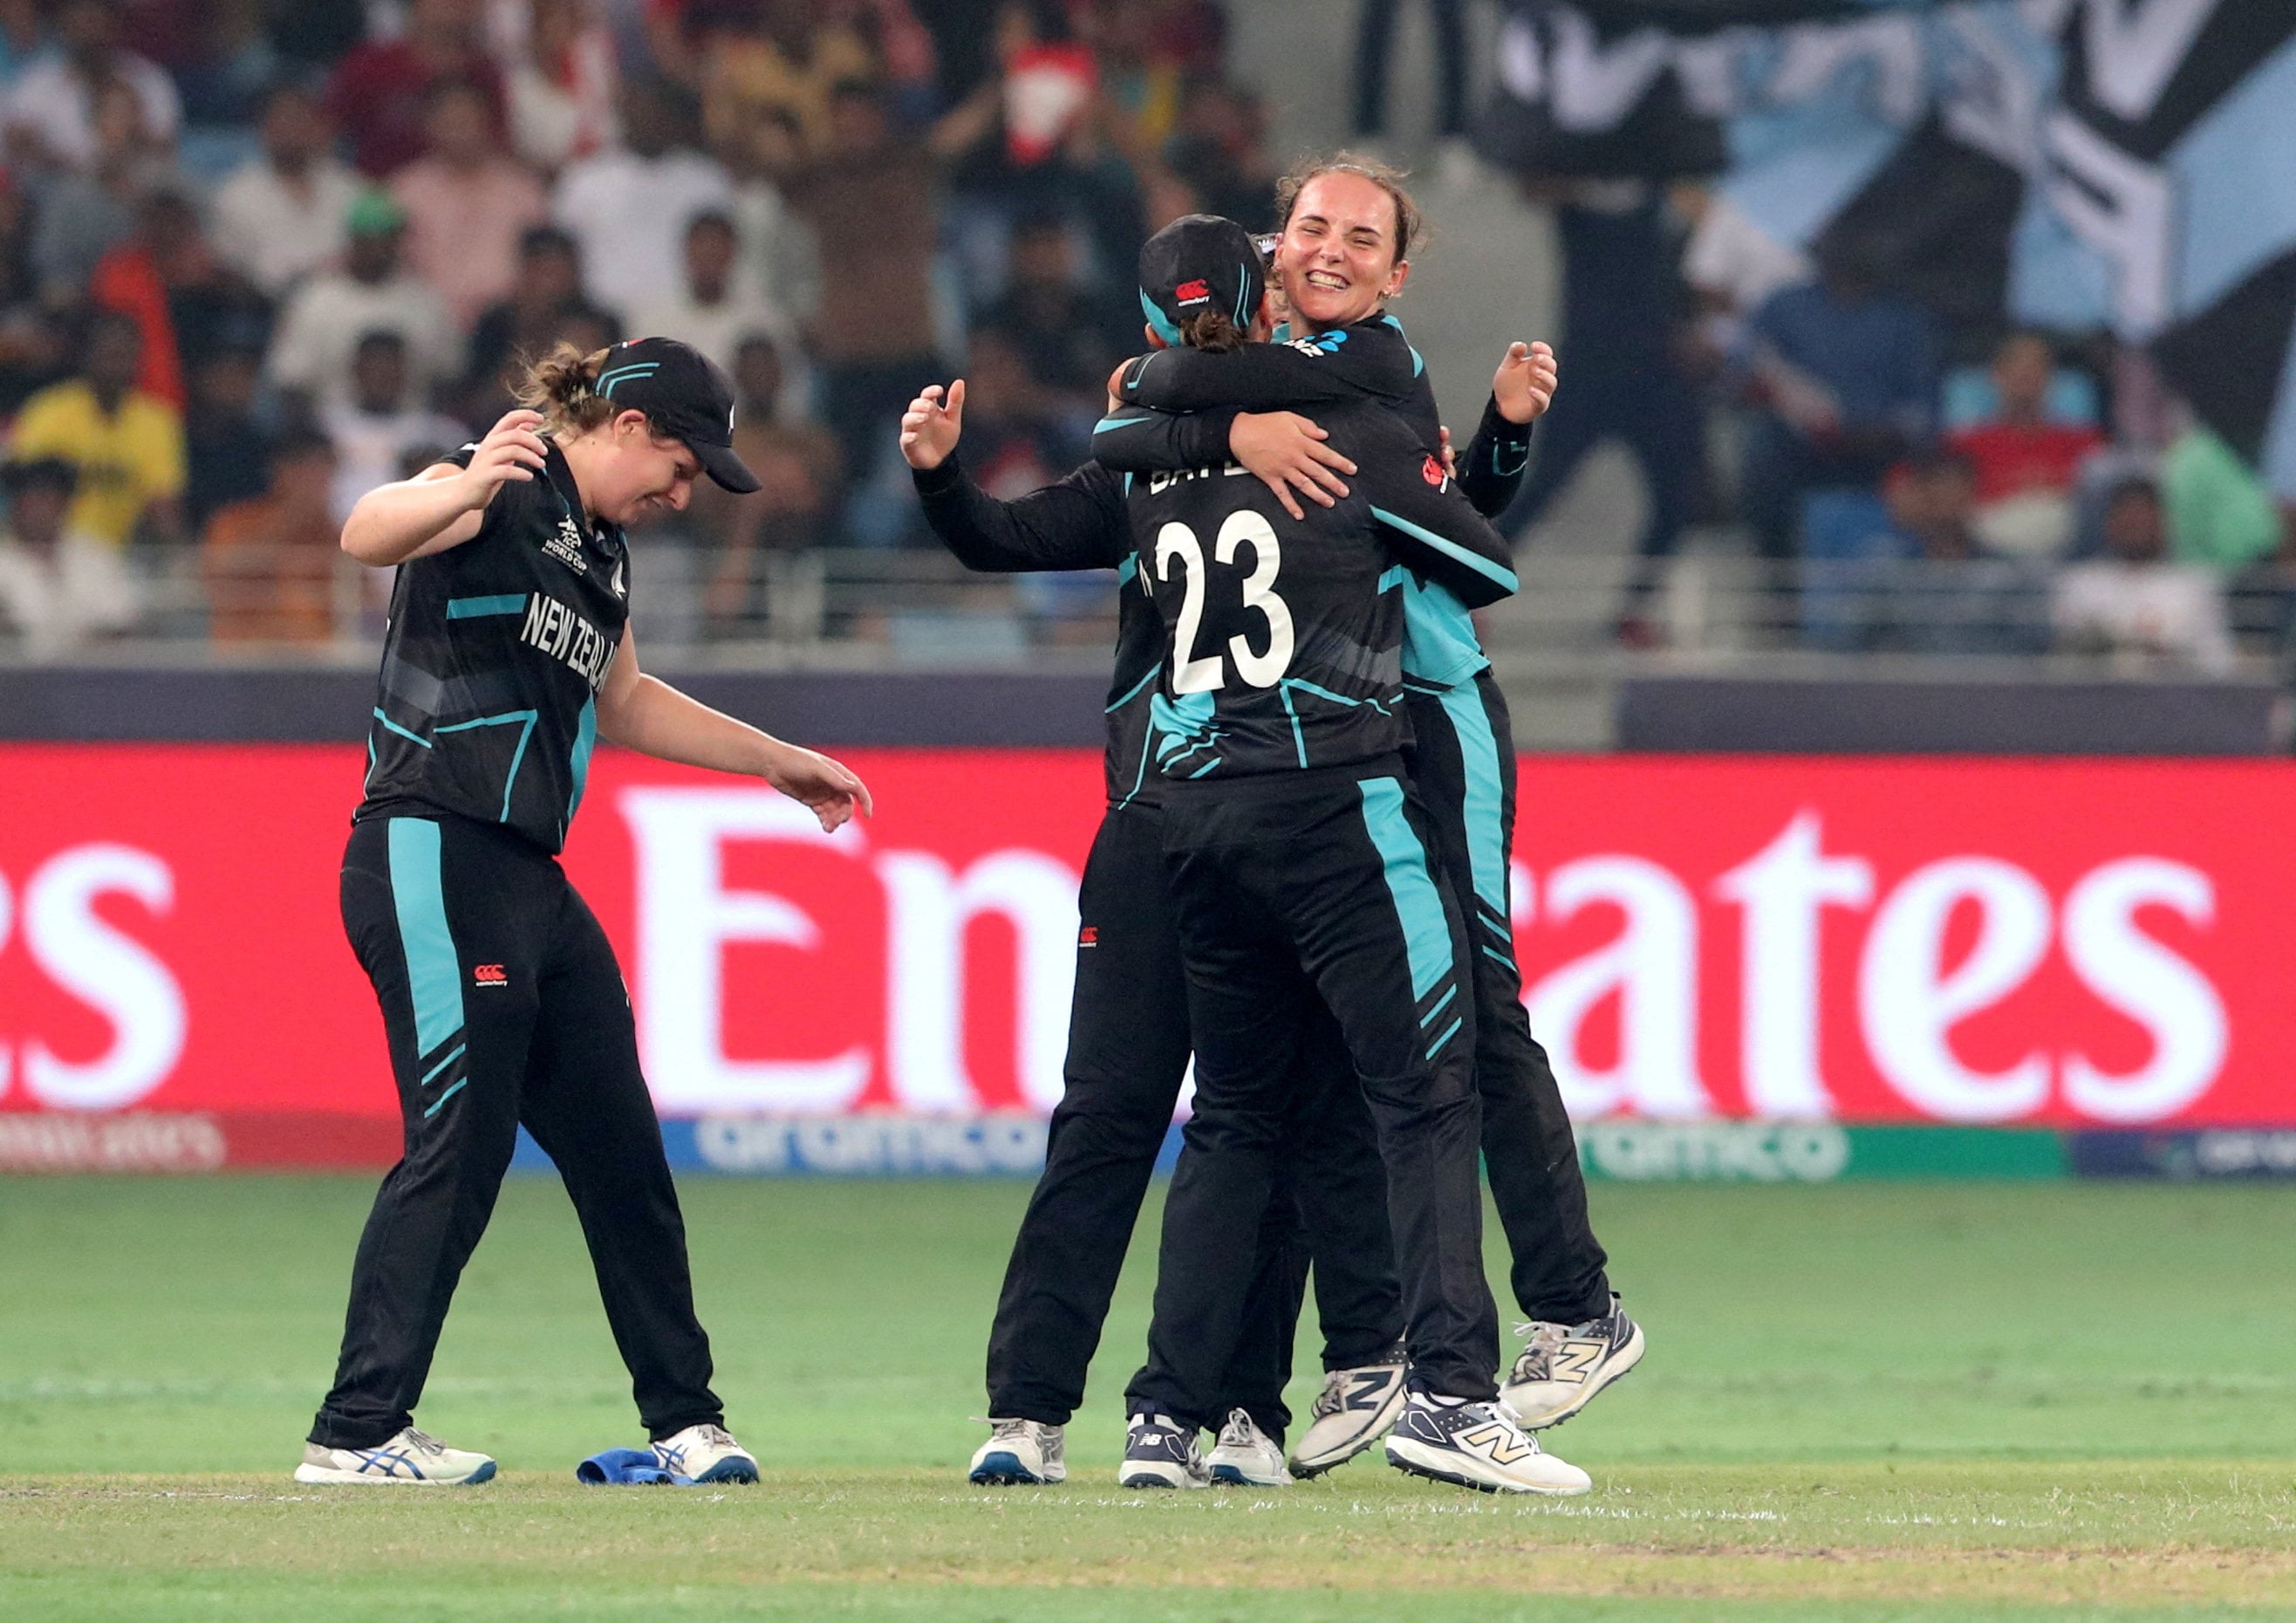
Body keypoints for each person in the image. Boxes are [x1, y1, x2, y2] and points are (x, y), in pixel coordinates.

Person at [1096, 161, 1638, 1474]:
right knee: (1333, 1057)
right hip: (1327, 745)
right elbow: (1449, 509)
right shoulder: (1290, 373)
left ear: (1398, 278)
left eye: (1361, 237)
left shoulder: (1367, 367)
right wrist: (1497, 441)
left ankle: (1570, 1307)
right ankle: (1334, 1363)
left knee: (1469, 1015)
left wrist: (1176, 407)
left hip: (1430, 715)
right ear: (1275, 250)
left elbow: (1151, 414)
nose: (1331, 249)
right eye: (1312, 227)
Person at [299, 335, 871, 1487]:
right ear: (629, 429)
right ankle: (355, 1434)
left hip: (528, 882)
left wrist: (774, 761)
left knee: (623, 1155)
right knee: (460, 1147)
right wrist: (458, 485)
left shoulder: (601, 554)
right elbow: (365, 534)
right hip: (430, 846)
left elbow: (627, 699)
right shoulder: (497, 479)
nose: (680, 494)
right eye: (680, 467)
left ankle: (687, 1425)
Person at [551, 76, 733, 327]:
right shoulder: (585, 180)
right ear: (623, 113)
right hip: (603, 326)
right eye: (637, 107)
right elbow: (560, 260)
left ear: (671, 115)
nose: (646, 117)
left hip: (688, 323)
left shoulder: (706, 181)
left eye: (654, 108)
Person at [268, 188, 461, 418]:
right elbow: (292, 382)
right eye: (370, 239)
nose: (379, 249)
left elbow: (448, 377)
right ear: (353, 241)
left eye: (387, 239)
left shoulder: (424, 301)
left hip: (411, 434)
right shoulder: (316, 299)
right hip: (333, 434)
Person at [10, 309, 184, 550]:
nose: (118, 364)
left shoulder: (157, 421)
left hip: (118, 559)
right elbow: (29, 497)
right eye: (109, 353)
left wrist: (176, 558)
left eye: (126, 354)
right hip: (49, 551)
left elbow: (163, 506)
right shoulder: (49, 411)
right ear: (86, 355)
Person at [388, 77, 550, 334]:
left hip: (507, 323)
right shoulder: (406, 191)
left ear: (486, 122)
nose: (459, 129)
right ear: (430, 125)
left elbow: (539, 259)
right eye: (449, 121)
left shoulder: (521, 187)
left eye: (467, 119)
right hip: (430, 321)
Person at [2053, 476, 2237, 675]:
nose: (2135, 525)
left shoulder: (2195, 587)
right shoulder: (2080, 585)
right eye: (2127, 517)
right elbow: (2065, 663)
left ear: (2163, 522)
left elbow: (2219, 664)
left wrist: (2167, 657)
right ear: (2110, 523)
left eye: (2143, 516)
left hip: (2176, 697)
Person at [1948, 332, 2101, 560]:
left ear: (2052, 378)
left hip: (2069, 559)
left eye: (2036, 367)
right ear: (1996, 376)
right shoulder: (1963, 445)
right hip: (1986, 561)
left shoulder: (2086, 444)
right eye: (2016, 367)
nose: (2026, 376)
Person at [210, 81, 360, 299]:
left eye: (299, 119)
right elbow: (229, 266)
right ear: (263, 129)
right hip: (266, 308)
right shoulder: (235, 193)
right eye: (282, 120)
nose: (290, 129)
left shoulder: (349, 186)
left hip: (344, 303)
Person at [0, 0, 179, 175]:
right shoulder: (38, 81)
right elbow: (17, 144)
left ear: (113, 24)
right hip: (60, 185)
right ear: (65, 26)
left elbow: (163, 144)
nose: (88, 30)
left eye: (95, 20)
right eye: (80, 20)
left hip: (136, 180)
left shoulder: (145, 78)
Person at [202, 428, 343, 645]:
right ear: (281, 470)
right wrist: (291, 518)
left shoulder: (333, 534)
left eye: (326, 468)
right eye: (308, 468)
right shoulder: (236, 521)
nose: (318, 479)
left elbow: (368, 602)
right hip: (244, 650)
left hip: (315, 658)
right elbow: (218, 573)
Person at [321, 330, 473, 525]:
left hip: (415, 538)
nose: (380, 377)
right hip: (330, 541)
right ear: (355, 369)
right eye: (373, 368)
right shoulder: (323, 427)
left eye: (389, 369)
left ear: (406, 372)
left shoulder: (439, 434)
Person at [0, 456, 136, 655]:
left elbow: (121, 624)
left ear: (65, 505)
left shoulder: (96, 557)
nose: (40, 510)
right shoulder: (4, 563)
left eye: (49, 500)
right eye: (31, 500)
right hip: (19, 680)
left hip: (93, 678)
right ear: (16, 506)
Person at [627, 210, 789, 376]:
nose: (709, 258)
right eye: (702, 249)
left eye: (717, 250)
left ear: (733, 253)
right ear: (687, 253)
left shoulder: (761, 319)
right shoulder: (654, 320)